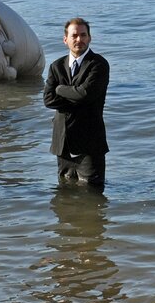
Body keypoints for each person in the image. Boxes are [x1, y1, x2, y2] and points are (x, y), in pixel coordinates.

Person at [43, 17, 109, 186]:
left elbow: (85, 94)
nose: (79, 39)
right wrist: (76, 97)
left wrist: (60, 89)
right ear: (66, 40)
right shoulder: (56, 66)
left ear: (89, 38)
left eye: (83, 35)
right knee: (63, 195)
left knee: (91, 197)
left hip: (89, 144)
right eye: (74, 35)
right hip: (62, 142)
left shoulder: (98, 64)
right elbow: (48, 100)